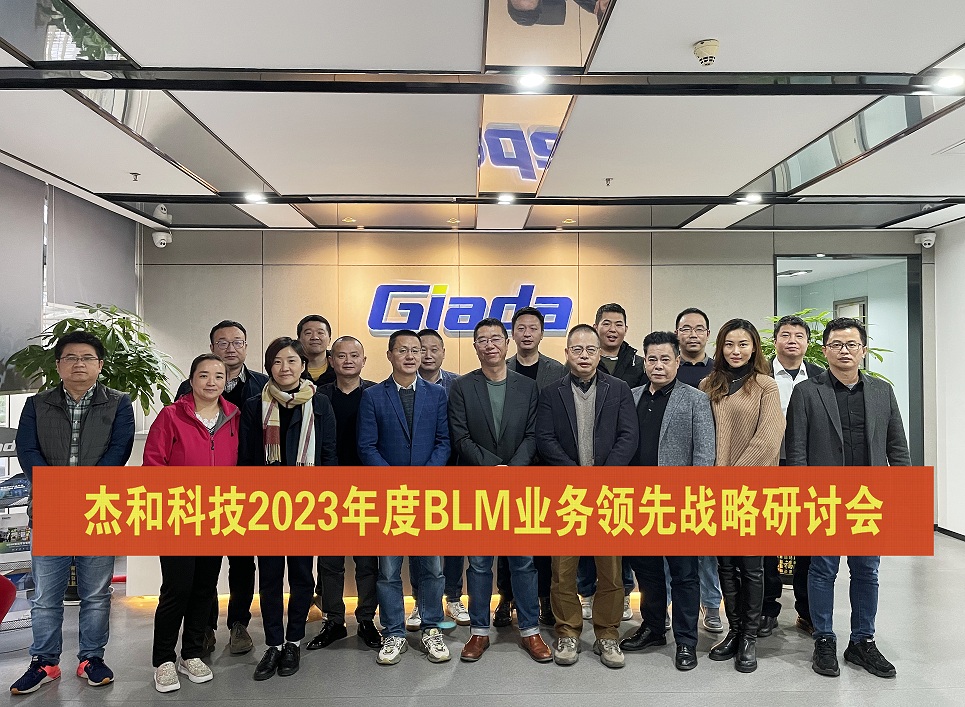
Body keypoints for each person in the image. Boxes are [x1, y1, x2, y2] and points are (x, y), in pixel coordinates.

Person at [11, 331, 135, 695]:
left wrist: (84, 490)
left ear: (99, 364)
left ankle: (91, 658)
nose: (78, 364)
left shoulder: (119, 403)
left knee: (96, 593)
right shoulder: (37, 404)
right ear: (58, 365)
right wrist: (57, 488)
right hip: (51, 506)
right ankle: (44, 662)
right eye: (70, 357)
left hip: (99, 507)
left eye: (86, 358)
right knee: (45, 595)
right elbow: (27, 450)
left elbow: (119, 450)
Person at [786, 317, 909, 680]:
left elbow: (896, 445)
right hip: (823, 496)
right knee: (823, 569)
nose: (844, 351)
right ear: (824, 351)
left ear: (863, 350)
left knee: (867, 570)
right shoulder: (807, 392)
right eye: (837, 345)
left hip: (867, 498)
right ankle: (824, 638)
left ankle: (862, 641)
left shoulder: (882, 391)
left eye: (851, 344)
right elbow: (797, 450)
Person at [447, 318, 552, 664]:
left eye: (496, 338)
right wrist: (493, 470)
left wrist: (511, 471)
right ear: (475, 347)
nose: (489, 344)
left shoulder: (528, 387)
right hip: (478, 486)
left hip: (519, 486)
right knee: (479, 564)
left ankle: (530, 630)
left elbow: (534, 435)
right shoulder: (462, 387)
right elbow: (461, 437)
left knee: (523, 562)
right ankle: (479, 631)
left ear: (507, 344)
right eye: (482, 340)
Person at [536, 324, 638, 669]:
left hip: (608, 493)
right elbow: (545, 439)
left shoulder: (619, 389)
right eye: (577, 349)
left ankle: (607, 634)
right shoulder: (551, 392)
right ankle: (567, 631)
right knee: (563, 570)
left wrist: (602, 477)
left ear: (599, 353)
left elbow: (628, 436)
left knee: (610, 571)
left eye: (590, 350)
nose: (584, 356)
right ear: (567, 353)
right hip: (567, 494)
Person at [239, 337, 337, 681]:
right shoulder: (255, 405)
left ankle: (293, 641)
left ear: (303, 365)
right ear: (269, 366)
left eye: (292, 361)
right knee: (269, 578)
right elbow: (246, 459)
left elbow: (329, 455)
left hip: (306, 503)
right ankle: (273, 643)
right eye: (278, 361)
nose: (285, 368)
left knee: (301, 575)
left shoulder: (319, 402)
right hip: (266, 504)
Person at [620, 331, 715, 671]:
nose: (658, 366)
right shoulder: (630, 396)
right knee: (646, 570)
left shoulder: (695, 399)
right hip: (638, 502)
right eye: (652, 359)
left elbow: (704, 454)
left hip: (679, 502)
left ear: (677, 361)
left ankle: (686, 640)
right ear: (644, 362)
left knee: (684, 573)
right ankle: (653, 627)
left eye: (665, 359)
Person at [144, 354, 240, 693]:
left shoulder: (234, 416)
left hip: (217, 515)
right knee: (177, 589)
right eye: (204, 375)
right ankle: (163, 659)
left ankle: (192, 653)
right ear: (192, 379)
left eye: (219, 376)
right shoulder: (171, 415)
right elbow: (153, 464)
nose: (211, 382)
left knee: (205, 587)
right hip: (178, 515)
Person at [357, 330, 452, 666]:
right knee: (388, 571)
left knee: (432, 569)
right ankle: (394, 632)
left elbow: (443, 442)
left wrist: (423, 479)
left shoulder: (437, 394)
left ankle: (431, 628)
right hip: (389, 497)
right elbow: (366, 446)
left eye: (416, 350)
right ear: (390, 355)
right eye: (403, 350)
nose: (411, 356)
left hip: (428, 496)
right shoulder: (372, 396)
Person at [174, 319, 268, 656]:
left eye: (237, 342)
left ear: (246, 347)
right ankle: (205, 626)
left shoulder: (263, 384)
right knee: (204, 565)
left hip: (246, 490)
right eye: (223, 342)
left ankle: (239, 624)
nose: (230, 348)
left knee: (242, 562)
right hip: (201, 493)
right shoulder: (188, 387)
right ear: (212, 347)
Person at [699, 319, 784, 673]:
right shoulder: (708, 385)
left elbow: (769, 439)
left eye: (743, 344)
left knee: (751, 566)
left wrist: (731, 478)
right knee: (725, 564)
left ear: (754, 348)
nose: (736, 351)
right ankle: (734, 631)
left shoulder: (765, 386)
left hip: (751, 492)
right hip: (714, 492)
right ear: (721, 347)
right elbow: (702, 435)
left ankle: (749, 636)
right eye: (729, 344)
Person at [307, 336, 381, 652]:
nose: (348, 361)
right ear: (331, 361)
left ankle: (366, 620)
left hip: (368, 488)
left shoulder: (377, 394)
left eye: (354, 355)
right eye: (341, 356)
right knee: (330, 562)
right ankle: (334, 620)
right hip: (328, 489)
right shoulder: (317, 396)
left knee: (367, 562)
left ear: (364, 360)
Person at [498, 305, 566, 628]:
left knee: (543, 539)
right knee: (506, 536)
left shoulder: (557, 370)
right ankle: (506, 597)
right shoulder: (501, 367)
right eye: (521, 328)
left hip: (546, 465)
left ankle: (544, 598)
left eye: (533, 328)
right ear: (513, 334)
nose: (527, 334)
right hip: (511, 464)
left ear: (542, 333)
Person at [761, 315, 825, 639]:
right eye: (785, 335)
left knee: (806, 541)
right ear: (775, 341)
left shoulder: (820, 377)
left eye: (799, 336)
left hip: (807, 467)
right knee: (766, 541)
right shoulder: (759, 375)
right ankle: (767, 609)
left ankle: (807, 611)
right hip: (767, 465)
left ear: (808, 343)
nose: (792, 341)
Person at [580, 303, 644, 623]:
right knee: (586, 532)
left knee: (621, 532)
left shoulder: (639, 364)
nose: (612, 329)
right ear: (596, 327)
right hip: (585, 465)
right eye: (606, 323)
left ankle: (623, 592)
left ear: (626, 329)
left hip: (623, 464)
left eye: (619, 324)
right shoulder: (581, 363)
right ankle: (587, 592)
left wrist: (614, 465)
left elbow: (634, 425)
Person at [408, 327, 466, 630]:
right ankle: (420, 601)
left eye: (434, 349)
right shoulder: (403, 384)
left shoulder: (458, 384)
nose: (428, 355)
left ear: (443, 352)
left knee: (454, 539)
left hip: (453, 472)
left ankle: (453, 597)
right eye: (422, 349)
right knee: (418, 540)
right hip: (416, 476)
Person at [674, 307, 723, 634]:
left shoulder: (720, 372)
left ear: (707, 334)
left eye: (698, 329)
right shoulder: (668, 367)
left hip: (708, 466)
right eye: (685, 328)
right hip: (670, 469)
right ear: (677, 333)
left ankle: (711, 604)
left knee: (705, 545)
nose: (692, 334)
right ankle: (666, 604)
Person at [297, 314, 336, 386]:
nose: (314, 337)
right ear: (299, 340)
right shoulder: (292, 368)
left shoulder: (338, 366)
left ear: (329, 340)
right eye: (308, 333)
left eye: (320, 333)